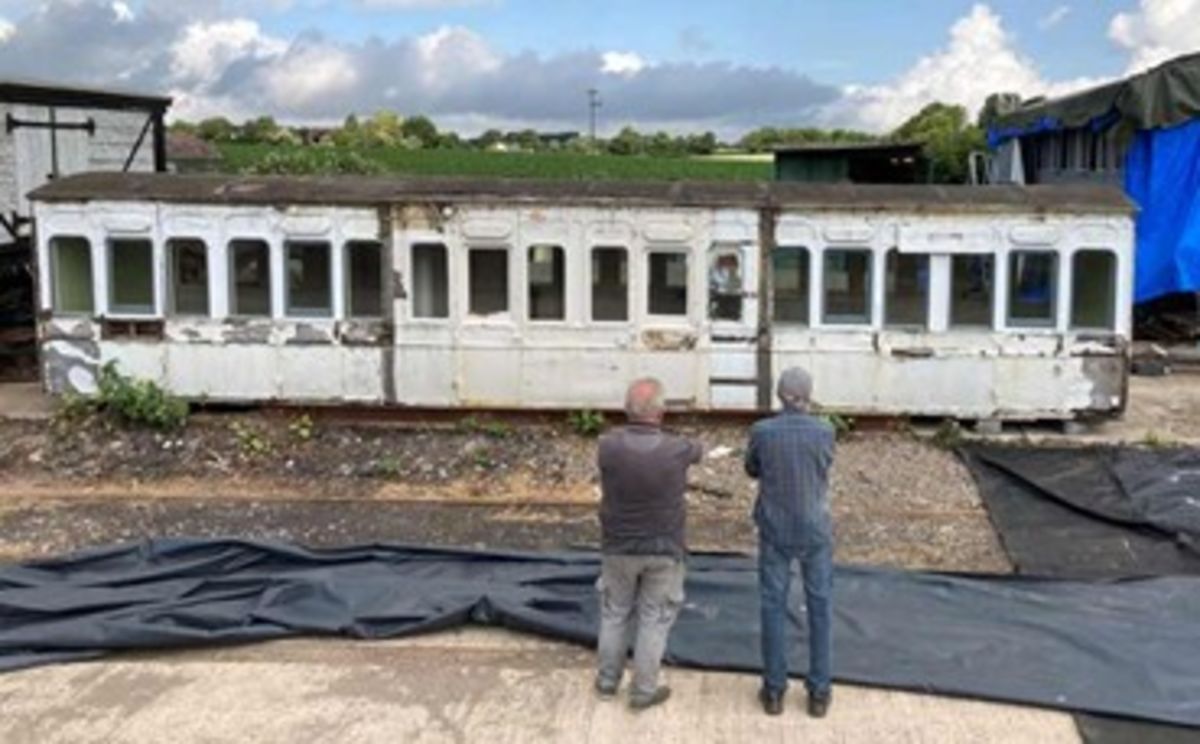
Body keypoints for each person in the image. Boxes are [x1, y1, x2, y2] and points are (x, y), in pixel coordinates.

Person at [594, 377, 703, 711]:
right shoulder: (678, 449)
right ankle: (643, 690)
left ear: (626, 410)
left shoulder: (607, 445)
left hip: (618, 546)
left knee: (615, 613)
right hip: (663, 548)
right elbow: (700, 449)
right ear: (661, 412)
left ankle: (607, 681)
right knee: (653, 618)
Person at [744, 367, 835, 718]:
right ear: (808, 395)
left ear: (779, 395)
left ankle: (774, 691)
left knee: (773, 605)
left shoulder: (762, 431)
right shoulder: (825, 431)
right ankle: (819, 693)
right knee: (820, 605)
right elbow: (823, 467)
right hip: (815, 528)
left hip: (775, 527)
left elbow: (752, 469)